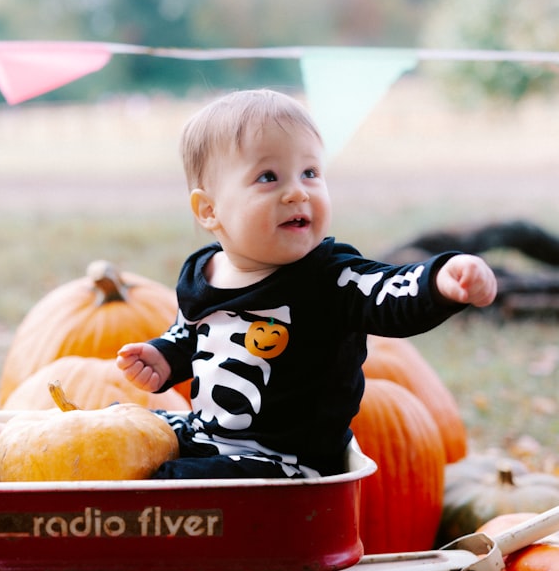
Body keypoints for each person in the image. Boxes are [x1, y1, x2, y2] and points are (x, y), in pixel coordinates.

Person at [115, 88, 497, 479]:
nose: (297, 191)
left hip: (287, 462)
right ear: (210, 209)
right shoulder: (203, 270)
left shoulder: (329, 277)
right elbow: (192, 333)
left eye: (310, 173)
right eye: (268, 177)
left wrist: (439, 280)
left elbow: (388, 291)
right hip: (209, 434)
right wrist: (164, 356)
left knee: (171, 483)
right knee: (120, 432)